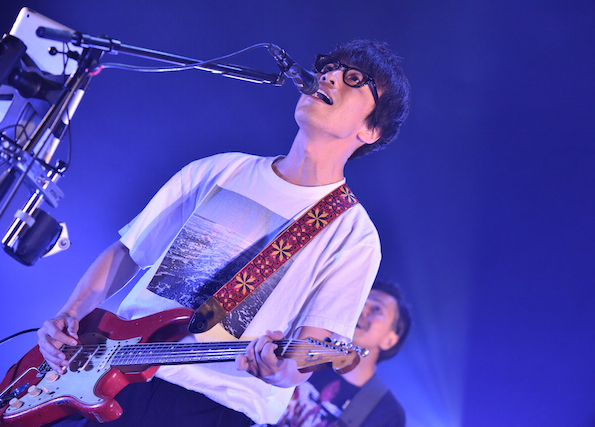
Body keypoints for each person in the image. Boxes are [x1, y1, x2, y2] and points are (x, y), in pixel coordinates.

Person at [36, 39, 411, 426]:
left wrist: (276, 371)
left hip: (213, 408)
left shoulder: (353, 235)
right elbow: (128, 252)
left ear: (371, 129)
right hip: (116, 378)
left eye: (354, 79)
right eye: (329, 67)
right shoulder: (221, 169)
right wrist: (70, 314)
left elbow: (304, 356)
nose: (330, 77)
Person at [266, 278, 411, 427]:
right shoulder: (304, 352)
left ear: (389, 341)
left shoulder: (388, 413)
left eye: (376, 309)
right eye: (361, 302)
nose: (362, 310)